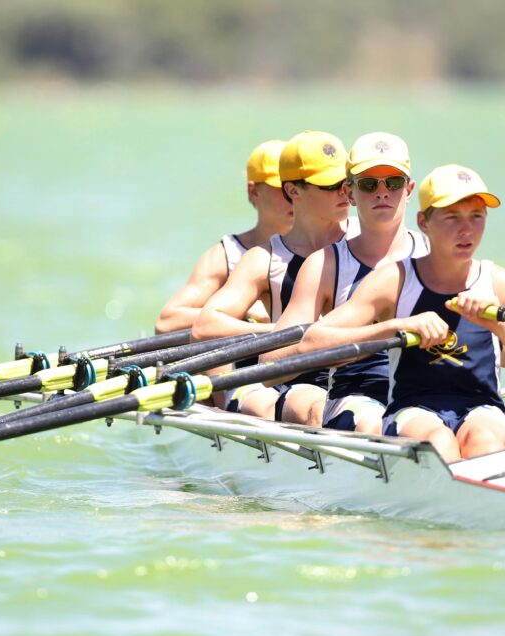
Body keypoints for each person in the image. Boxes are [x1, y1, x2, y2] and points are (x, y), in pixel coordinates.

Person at [298, 163, 505, 462]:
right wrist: (398, 327)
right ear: (424, 222)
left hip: (482, 410)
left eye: (476, 217)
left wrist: (501, 327)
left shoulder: (501, 284)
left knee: (484, 441)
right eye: (452, 217)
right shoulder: (395, 280)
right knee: (438, 444)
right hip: (413, 410)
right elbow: (311, 342)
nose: (466, 229)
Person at [260, 132, 428, 434]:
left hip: (425, 395)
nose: (382, 193)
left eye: (393, 183)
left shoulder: (434, 254)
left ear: (409, 190)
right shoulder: (325, 265)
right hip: (357, 397)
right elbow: (270, 366)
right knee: (375, 424)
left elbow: (502, 357)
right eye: (367, 184)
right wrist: (377, 334)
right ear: (349, 193)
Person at [192, 130, 354, 424]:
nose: (346, 192)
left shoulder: (366, 241)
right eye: (331, 185)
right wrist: (284, 331)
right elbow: (204, 327)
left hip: (364, 379)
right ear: (293, 191)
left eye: (349, 182)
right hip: (295, 386)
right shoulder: (264, 259)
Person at [155, 139, 293, 334]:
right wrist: (239, 311)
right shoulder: (226, 255)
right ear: (253, 191)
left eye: (297, 186)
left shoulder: (328, 245)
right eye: (281, 188)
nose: (292, 196)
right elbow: (167, 321)